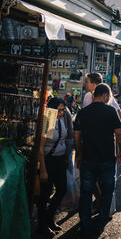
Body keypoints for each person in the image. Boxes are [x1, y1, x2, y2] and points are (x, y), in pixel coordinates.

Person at [74, 83, 121, 236]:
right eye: (109, 96)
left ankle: (85, 222)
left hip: (88, 159)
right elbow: (119, 133)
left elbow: (77, 137)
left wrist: (79, 154)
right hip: (107, 159)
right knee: (108, 190)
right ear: (104, 96)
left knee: (86, 192)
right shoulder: (110, 111)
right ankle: (102, 220)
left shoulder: (83, 112)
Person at [37, 98, 68, 237]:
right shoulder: (49, 119)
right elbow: (40, 147)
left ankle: (49, 218)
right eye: (59, 110)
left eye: (63, 109)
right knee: (45, 194)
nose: (62, 112)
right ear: (53, 109)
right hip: (49, 161)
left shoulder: (60, 118)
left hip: (60, 161)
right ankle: (42, 225)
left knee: (62, 189)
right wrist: (43, 169)